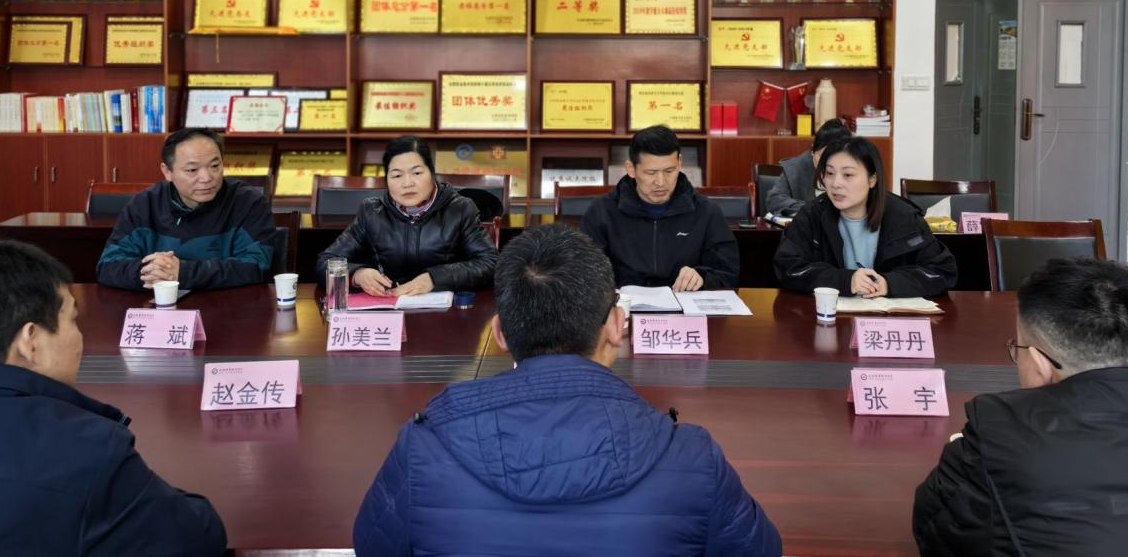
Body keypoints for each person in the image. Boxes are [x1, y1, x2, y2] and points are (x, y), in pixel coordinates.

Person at [353, 222, 782, 555]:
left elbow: (372, 546)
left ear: (499, 334)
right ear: (616, 327)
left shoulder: (422, 447)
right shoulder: (693, 457)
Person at [0, 240, 226, 555]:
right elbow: (197, 537)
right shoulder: (86, 449)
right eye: (73, 319)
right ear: (31, 342)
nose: (80, 337)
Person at [913, 257, 1128, 554]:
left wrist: (966, 454)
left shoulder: (996, 432)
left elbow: (936, 532)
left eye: (1017, 350)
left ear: (1040, 364)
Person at [773, 136, 956, 297]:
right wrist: (845, 280)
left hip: (889, 319)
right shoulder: (812, 214)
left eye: (848, 175)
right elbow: (787, 267)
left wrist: (889, 283)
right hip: (830, 316)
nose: (836, 183)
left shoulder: (904, 217)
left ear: (872, 179)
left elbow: (942, 271)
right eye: (829, 173)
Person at [315, 135, 497, 295]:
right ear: (387, 180)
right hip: (387, 309)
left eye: (416, 173)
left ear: (432, 173)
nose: (407, 183)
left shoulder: (460, 209)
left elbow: (490, 263)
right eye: (397, 176)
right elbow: (325, 263)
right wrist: (357, 275)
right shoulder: (372, 212)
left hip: (445, 313)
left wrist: (435, 278)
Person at [97, 127, 275, 290]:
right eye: (192, 170)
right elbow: (107, 265)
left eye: (215, 166)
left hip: (228, 308)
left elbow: (257, 265)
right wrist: (153, 272)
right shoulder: (145, 204)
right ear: (167, 172)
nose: (206, 178)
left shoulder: (248, 203)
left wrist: (183, 273)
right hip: (160, 308)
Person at [579, 125, 739, 291]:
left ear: (680, 163)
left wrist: (702, 277)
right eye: (651, 173)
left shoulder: (707, 212)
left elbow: (728, 274)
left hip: (685, 305)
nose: (661, 182)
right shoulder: (602, 212)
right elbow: (582, 274)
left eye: (669, 171)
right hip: (625, 305)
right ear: (631, 169)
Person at [763, 118, 849, 217]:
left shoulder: (853, 171)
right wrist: (812, 209)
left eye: (833, 158)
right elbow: (775, 200)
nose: (827, 164)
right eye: (822, 156)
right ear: (813, 150)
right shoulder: (795, 168)